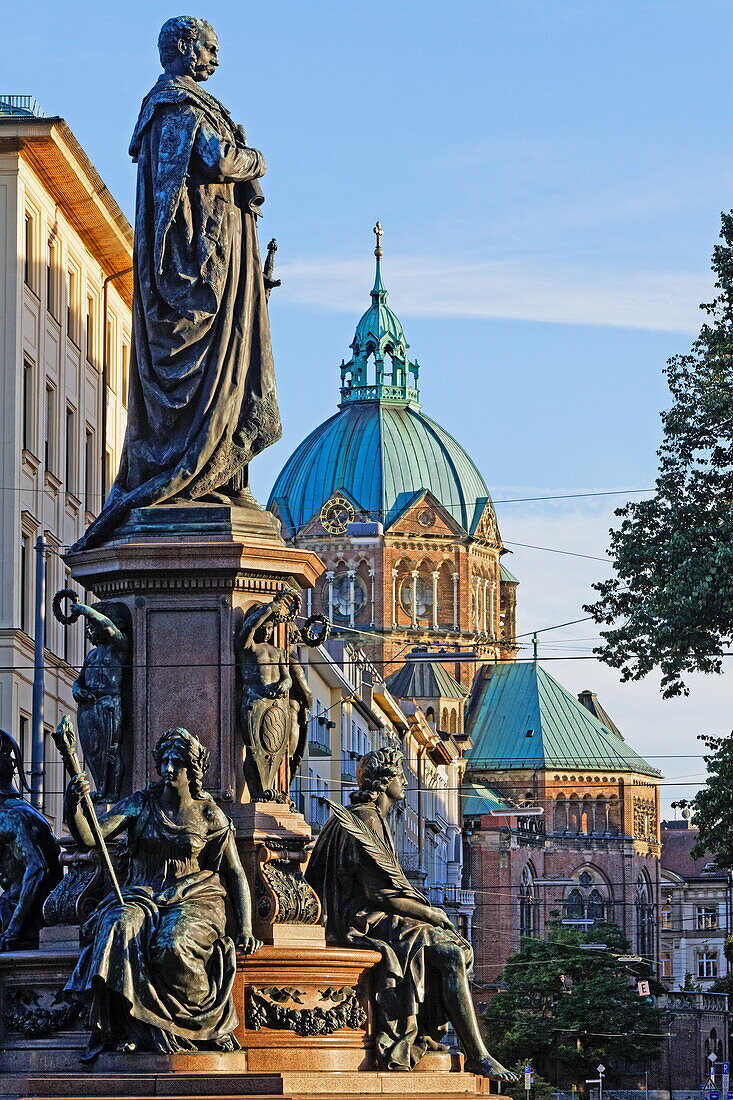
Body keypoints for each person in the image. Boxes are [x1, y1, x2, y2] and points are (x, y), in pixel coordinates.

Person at [74, 16, 280, 551]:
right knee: (203, 375)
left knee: (224, 377)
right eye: (209, 48)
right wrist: (257, 159)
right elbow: (216, 161)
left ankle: (216, 474)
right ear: (184, 49)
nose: (215, 58)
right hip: (196, 275)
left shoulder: (179, 107)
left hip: (216, 268)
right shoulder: (177, 107)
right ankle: (191, 474)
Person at [305, 747, 514, 1079]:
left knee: (452, 948)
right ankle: (478, 1054)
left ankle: (436, 1034)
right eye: (400, 776)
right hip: (360, 919)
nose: (404, 782)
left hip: (370, 913)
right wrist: (435, 916)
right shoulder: (366, 819)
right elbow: (382, 894)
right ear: (386, 782)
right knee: (447, 952)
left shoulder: (371, 816)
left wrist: (429, 913)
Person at [63, 725, 261, 1059]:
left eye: (178, 762)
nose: (169, 768)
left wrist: (245, 927)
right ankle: (129, 1028)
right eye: (165, 761)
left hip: (195, 898)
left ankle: (204, 1026)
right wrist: (73, 807)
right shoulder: (141, 803)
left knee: (173, 945)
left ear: (193, 769)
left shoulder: (211, 814)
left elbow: (235, 873)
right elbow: (91, 837)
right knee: (117, 926)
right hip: (141, 893)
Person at [236, 589, 310, 799]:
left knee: (274, 751)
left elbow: (286, 676)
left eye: (271, 628)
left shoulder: (277, 652)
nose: (268, 632)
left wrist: (285, 684)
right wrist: (270, 608)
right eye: (265, 627)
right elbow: (249, 626)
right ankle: (256, 792)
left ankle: (267, 789)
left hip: (274, 707)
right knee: (253, 750)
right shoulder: (249, 647)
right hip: (254, 702)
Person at [0, 729, 61, 950]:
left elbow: (37, 870)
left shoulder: (8, 816)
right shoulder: (21, 809)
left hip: (20, 916)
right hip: (29, 910)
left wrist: (13, 930)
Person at [71, 601, 130, 802]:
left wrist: (85, 610)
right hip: (89, 706)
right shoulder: (92, 654)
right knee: (93, 753)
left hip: (109, 703)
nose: (91, 629)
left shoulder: (119, 644)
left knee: (111, 750)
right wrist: (76, 688)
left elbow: (108, 627)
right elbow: (80, 679)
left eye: (92, 624)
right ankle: (101, 788)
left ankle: (113, 793)